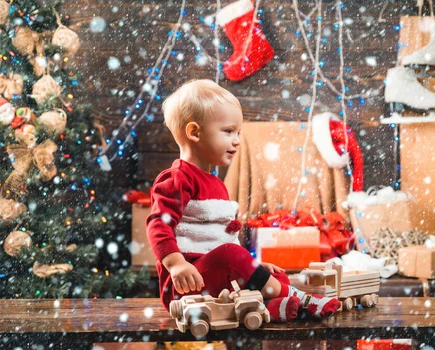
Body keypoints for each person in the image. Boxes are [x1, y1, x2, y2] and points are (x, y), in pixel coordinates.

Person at [146, 79, 340, 322]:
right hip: (186, 284)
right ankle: (302, 299)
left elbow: (221, 237)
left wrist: (251, 267)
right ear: (194, 132)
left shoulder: (217, 183)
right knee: (232, 256)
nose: (237, 140)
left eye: (238, 132)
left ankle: (271, 310)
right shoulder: (177, 178)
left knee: (276, 276)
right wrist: (176, 264)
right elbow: (158, 224)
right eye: (228, 131)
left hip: (215, 281)